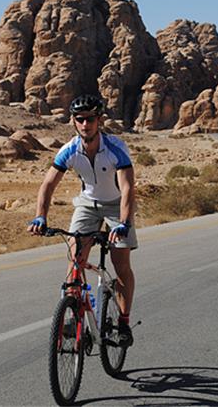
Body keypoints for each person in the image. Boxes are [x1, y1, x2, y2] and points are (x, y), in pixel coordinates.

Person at [27, 94, 137, 346]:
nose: (85, 124)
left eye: (90, 119)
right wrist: (40, 216)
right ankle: (75, 312)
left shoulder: (115, 148)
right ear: (73, 121)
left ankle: (123, 322)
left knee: (121, 267)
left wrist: (123, 223)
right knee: (75, 260)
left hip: (116, 205)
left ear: (99, 120)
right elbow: (48, 184)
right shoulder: (69, 150)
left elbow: (128, 188)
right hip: (87, 205)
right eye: (80, 119)